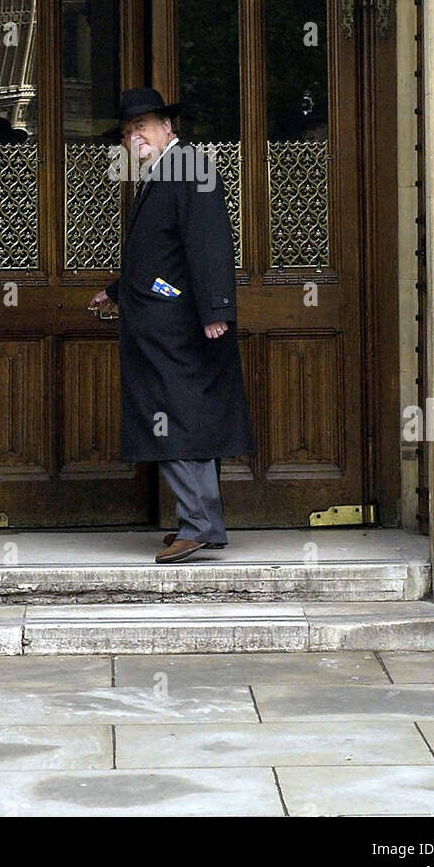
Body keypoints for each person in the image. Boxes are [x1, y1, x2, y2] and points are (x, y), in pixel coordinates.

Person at [88, 87, 255, 562]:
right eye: (125, 132)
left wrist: (216, 310)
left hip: (181, 327)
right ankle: (197, 521)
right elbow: (160, 255)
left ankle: (200, 524)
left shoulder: (189, 168)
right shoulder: (165, 171)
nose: (132, 137)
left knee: (179, 423)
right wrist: (118, 291)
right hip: (164, 324)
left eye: (141, 126)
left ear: (167, 127)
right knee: (180, 420)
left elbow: (208, 243)